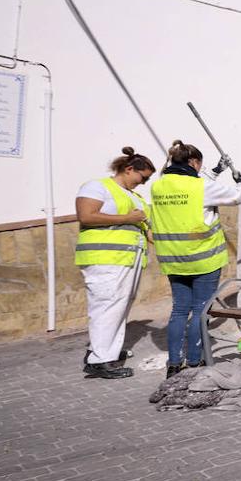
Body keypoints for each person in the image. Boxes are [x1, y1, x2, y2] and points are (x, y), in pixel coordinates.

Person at [150, 140, 241, 378]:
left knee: (178, 311)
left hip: (173, 259)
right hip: (203, 260)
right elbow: (237, 197)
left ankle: (174, 364)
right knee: (200, 310)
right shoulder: (201, 186)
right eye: (199, 165)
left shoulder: (159, 186)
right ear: (194, 162)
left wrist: (216, 171)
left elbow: (196, 193)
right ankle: (195, 362)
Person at [74, 146, 155, 379]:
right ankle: (99, 360)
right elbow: (86, 215)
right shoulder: (97, 186)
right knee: (106, 306)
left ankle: (106, 352)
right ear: (129, 169)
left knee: (118, 306)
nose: (143, 183)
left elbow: (145, 228)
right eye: (143, 177)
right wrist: (127, 217)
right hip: (104, 259)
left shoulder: (135, 197)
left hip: (128, 259)